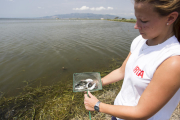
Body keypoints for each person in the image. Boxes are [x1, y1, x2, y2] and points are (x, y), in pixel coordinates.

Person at [84, 0, 180, 120]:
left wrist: (97, 105)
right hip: (119, 112)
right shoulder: (140, 41)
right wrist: (97, 82)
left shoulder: (173, 61)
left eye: (144, 21)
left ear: (170, 18)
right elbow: (121, 71)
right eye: (136, 19)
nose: (136, 26)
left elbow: (141, 112)